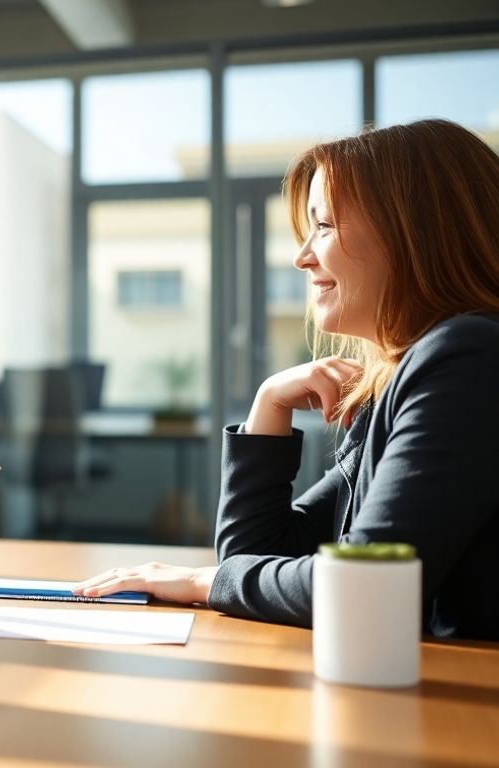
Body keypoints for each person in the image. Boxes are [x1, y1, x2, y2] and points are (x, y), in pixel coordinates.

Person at [73, 119, 499, 641]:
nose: (302, 257)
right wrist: (267, 404)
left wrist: (200, 582)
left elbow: (363, 588)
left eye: (323, 226)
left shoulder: (467, 358)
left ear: (414, 232)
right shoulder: (415, 374)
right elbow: (256, 557)